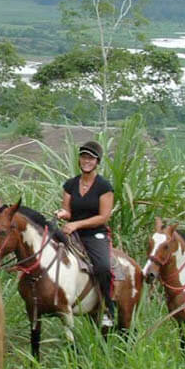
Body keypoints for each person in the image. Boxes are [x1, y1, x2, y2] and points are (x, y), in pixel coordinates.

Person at [55, 140, 116, 328]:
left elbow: (103, 217)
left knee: (103, 267)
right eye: (83, 157)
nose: (86, 161)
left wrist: (76, 224)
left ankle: (107, 308)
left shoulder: (104, 187)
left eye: (91, 158)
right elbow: (68, 211)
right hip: (72, 233)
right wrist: (62, 214)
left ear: (97, 162)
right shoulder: (70, 185)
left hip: (94, 234)